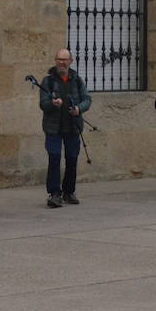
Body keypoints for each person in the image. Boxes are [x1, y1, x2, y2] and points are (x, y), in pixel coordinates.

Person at [40, 49, 92, 208]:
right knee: (54, 158)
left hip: (72, 127)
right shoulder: (48, 81)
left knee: (72, 159)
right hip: (53, 128)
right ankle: (54, 194)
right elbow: (43, 104)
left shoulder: (77, 80)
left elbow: (87, 99)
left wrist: (78, 108)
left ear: (71, 61)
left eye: (65, 59)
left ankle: (69, 192)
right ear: (55, 61)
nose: (62, 62)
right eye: (59, 59)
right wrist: (52, 103)